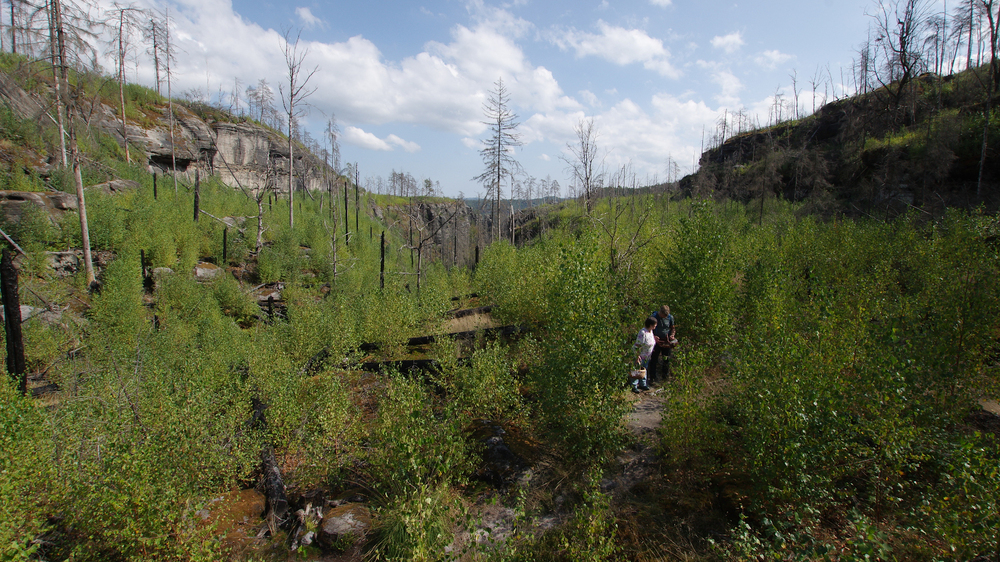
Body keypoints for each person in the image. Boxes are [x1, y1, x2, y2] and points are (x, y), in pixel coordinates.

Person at [648, 304, 676, 385]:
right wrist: (653, 336)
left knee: (666, 359)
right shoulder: (654, 316)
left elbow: (673, 328)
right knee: (654, 359)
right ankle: (652, 377)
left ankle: (665, 377)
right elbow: (647, 329)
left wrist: (672, 335)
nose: (664, 317)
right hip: (655, 342)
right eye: (663, 315)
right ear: (660, 312)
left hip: (666, 341)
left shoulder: (670, 318)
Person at [631, 316, 657, 392]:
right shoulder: (643, 332)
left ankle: (643, 384)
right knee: (636, 370)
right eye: (654, 325)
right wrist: (637, 355)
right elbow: (638, 345)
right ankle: (634, 385)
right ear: (650, 324)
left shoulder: (650, 332)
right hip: (640, 355)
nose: (655, 326)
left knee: (644, 370)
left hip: (647, 356)